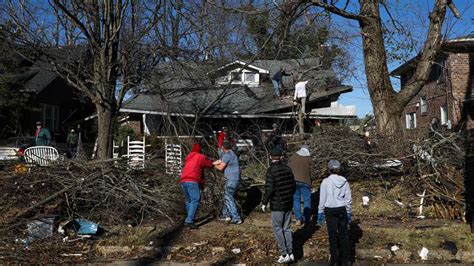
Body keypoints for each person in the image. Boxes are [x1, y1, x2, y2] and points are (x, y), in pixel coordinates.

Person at [261, 147, 296, 264]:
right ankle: (291, 253)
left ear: (271, 157)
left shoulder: (270, 171)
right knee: (287, 228)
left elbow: (269, 189)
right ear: (281, 157)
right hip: (288, 203)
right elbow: (293, 187)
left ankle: (284, 253)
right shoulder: (288, 169)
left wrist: (264, 202)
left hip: (277, 204)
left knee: (277, 229)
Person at [317, 160, 352, 266]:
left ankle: (334, 260)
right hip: (341, 209)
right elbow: (348, 198)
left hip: (329, 209)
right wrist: (349, 211)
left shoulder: (325, 182)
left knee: (332, 236)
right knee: (344, 235)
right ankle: (346, 260)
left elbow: (322, 199)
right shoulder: (344, 181)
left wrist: (320, 212)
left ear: (329, 169)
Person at [180, 143, 214, 229]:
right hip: (192, 180)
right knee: (195, 200)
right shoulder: (200, 157)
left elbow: (200, 171)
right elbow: (209, 164)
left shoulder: (189, 157)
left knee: (189, 201)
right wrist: (214, 162)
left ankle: (189, 218)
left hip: (183, 181)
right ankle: (189, 220)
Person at [213, 141, 242, 224]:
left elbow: (220, 167)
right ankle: (226, 215)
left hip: (232, 179)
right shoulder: (231, 154)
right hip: (234, 179)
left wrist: (212, 166)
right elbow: (220, 161)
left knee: (228, 197)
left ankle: (236, 217)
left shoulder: (228, 155)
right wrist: (210, 162)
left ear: (223, 148)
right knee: (227, 196)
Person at [289, 145, 313, 226]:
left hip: (294, 181)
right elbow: (312, 172)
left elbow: (288, 168)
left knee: (296, 200)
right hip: (306, 182)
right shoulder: (309, 158)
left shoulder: (293, 156)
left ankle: (298, 219)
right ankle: (306, 219)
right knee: (307, 200)